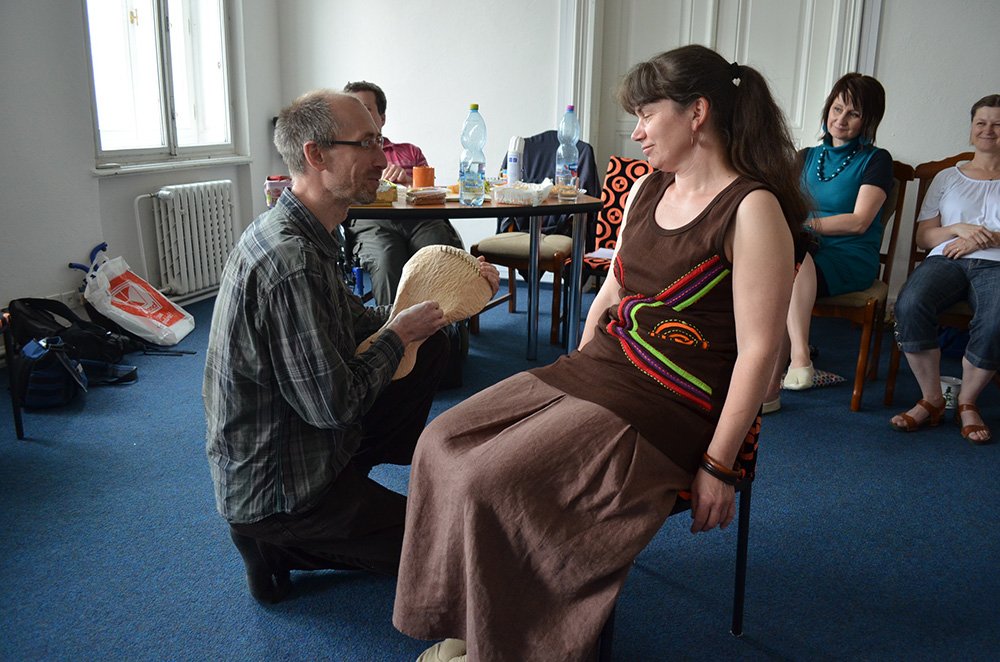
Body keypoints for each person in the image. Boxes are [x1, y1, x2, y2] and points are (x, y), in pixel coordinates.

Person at [392, 45, 806, 661]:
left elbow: (760, 353)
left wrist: (720, 466)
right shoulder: (645, 189)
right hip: (602, 371)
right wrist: (573, 381)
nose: (636, 133)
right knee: (440, 442)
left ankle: (502, 645)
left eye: (646, 114)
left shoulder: (752, 209)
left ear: (697, 112)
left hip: (669, 405)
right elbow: (610, 294)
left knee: (490, 479)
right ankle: (472, 620)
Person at [203, 90, 499, 603]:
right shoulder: (291, 260)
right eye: (366, 143)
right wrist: (399, 334)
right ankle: (275, 542)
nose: (382, 158)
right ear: (316, 155)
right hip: (281, 489)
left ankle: (345, 484)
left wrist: (449, 296)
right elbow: (334, 406)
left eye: (379, 140)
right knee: (460, 546)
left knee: (431, 341)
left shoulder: (305, 230)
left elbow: (360, 322)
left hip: (302, 442)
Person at [763, 73, 893, 411]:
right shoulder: (805, 156)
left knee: (785, 265)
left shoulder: (877, 160)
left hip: (848, 256)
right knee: (778, 265)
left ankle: (795, 361)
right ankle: (777, 380)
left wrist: (804, 225)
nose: (841, 119)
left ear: (869, 120)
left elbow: (859, 221)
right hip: (804, 252)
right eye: (837, 109)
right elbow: (783, 204)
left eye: (853, 113)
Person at [889, 94, 1000, 444]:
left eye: (998, 124)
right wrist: (958, 230)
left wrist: (982, 239)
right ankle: (932, 398)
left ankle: (968, 401)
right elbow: (924, 236)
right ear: (971, 128)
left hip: (996, 263)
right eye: (981, 122)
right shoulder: (947, 177)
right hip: (946, 258)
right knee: (910, 303)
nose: (988, 130)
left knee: (996, 319)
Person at [342, 80, 465, 306]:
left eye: (366, 109)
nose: (358, 116)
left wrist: (407, 183)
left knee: (436, 254)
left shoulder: (410, 152)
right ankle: (393, 326)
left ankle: (441, 324)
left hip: (420, 220)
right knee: (386, 258)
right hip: (371, 222)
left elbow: (432, 195)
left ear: (382, 118)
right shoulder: (342, 155)